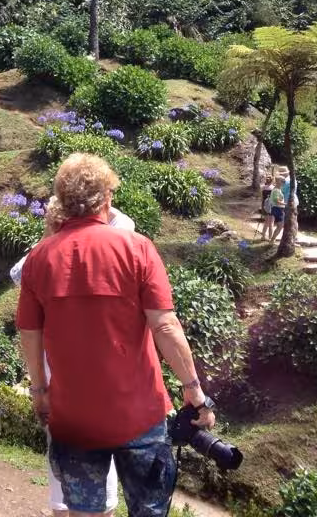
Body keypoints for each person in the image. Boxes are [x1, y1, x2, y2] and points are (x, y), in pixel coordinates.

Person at [16, 153, 216, 517]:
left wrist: (39, 390)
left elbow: (30, 334)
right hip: (140, 415)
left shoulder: (39, 259)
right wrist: (193, 389)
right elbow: (165, 326)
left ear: (62, 202)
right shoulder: (137, 248)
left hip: (73, 418)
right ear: (107, 200)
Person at [10, 203, 137, 516]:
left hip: (62, 381)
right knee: (97, 468)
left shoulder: (47, 259)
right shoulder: (95, 251)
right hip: (97, 381)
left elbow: (18, 275)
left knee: (66, 466)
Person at [262, 176, 285, 242]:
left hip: (267, 205)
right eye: (282, 181)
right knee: (272, 223)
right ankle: (271, 238)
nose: (283, 183)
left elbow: (262, 197)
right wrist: (285, 204)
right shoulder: (274, 189)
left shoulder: (264, 187)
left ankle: (264, 236)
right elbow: (276, 200)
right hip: (275, 207)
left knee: (266, 222)